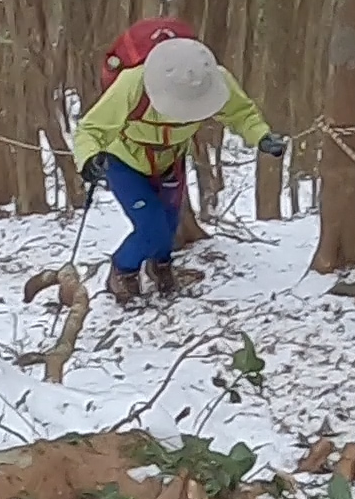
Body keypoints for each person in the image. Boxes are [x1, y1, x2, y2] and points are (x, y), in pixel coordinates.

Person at [74, 27, 288, 302]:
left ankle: (160, 264)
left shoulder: (214, 80)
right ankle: (122, 270)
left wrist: (261, 136)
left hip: (171, 159)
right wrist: (89, 159)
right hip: (124, 159)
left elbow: (241, 112)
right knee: (151, 225)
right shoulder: (134, 82)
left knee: (170, 221)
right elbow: (91, 128)